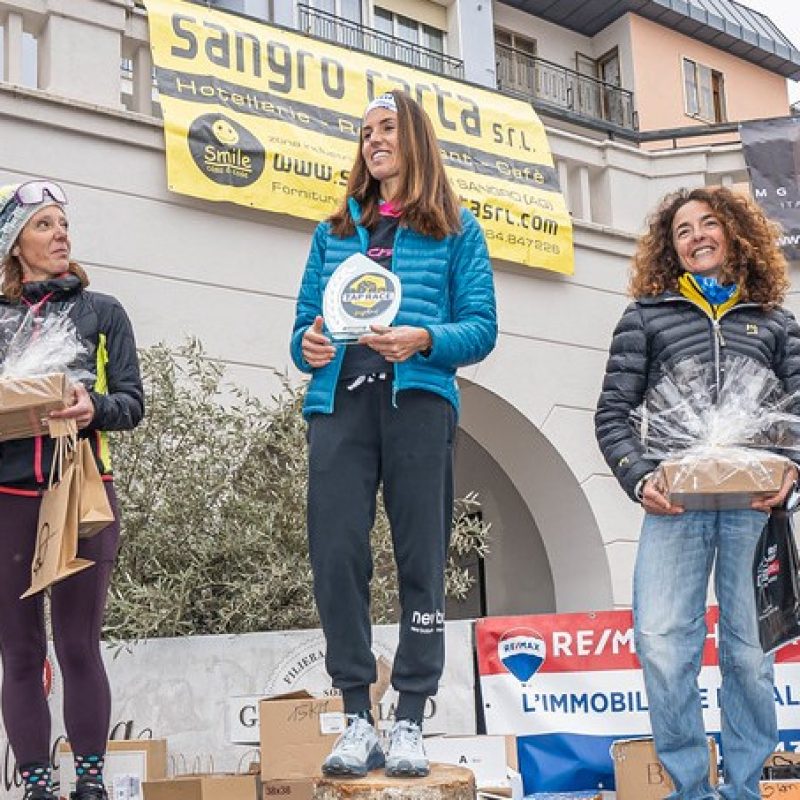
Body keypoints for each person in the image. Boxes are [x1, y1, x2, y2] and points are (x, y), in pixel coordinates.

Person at [290, 90, 497, 778]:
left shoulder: (457, 229)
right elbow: (301, 331)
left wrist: (425, 338)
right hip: (339, 408)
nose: (373, 140)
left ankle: (409, 715)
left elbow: (482, 327)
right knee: (337, 555)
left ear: (414, 139)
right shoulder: (334, 233)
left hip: (420, 405)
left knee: (421, 560)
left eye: (386, 128)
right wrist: (311, 347)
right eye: (365, 133)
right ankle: (356, 714)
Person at [595, 186, 800, 800]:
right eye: (682, 230)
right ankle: (689, 787)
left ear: (735, 235)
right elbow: (612, 413)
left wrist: (791, 471)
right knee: (660, 645)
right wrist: (639, 477)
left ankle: (742, 788)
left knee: (749, 654)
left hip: (753, 508)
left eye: (709, 224)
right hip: (674, 504)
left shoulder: (775, 322)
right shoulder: (645, 317)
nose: (696, 237)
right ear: (670, 246)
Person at [0, 180, 144, 800]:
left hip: (82, 493)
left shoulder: (101, 311)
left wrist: (94, 409)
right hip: (8, 498)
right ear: (14, 244)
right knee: (20, 650)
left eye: (63, 223)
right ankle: (36, 786)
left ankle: (90, 784)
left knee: (79, 644)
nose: (60, 234)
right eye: (44, 225)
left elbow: (134, 404)